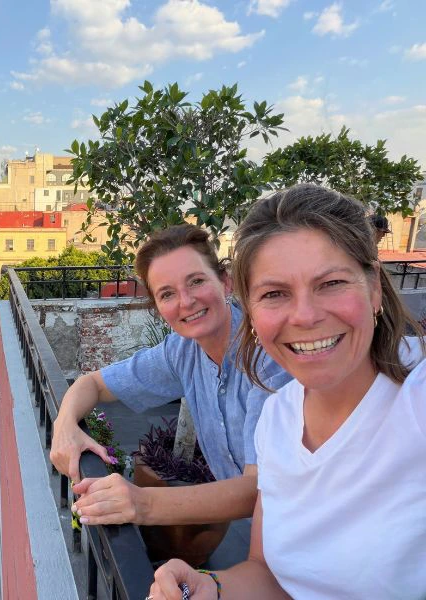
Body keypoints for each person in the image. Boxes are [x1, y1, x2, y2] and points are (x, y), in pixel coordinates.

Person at [148, 184, 426, 599]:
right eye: (275, 294)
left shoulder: (415, 403)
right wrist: (211, 587)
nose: (306, 315)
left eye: (330, 283)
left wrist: (142, 504)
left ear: (374, 289)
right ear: (252, 313)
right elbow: (268, 575)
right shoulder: (278, 417)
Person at [50, 224, 291, 529]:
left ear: (226, 283)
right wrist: (65, 425)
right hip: (259, 536)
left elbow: (260, 491)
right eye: (167, 294)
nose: (185, 302)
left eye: (196, 281)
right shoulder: (183, 350)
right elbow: (93, 384)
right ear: (158, 308)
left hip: (311, 540)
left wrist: (142, 503)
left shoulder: (266, 355)